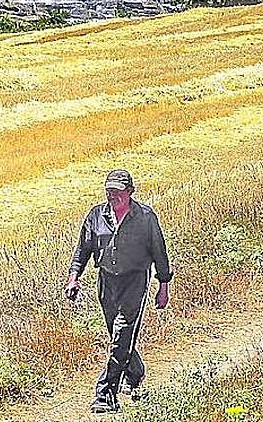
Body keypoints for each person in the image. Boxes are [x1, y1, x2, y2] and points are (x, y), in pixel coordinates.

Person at [66, 168, 172, 414]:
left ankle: (106, 394)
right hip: (107, 282)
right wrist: (73, 278)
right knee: (118, 336)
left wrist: (163, 286)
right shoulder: (96, 215)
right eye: (108, 191)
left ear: (130, 192)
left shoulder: (145, 217)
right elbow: (82, 250)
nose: (112, 195)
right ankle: (134, 371)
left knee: (122, 334)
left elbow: (159, 252)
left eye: (117, 191)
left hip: (134, 281)